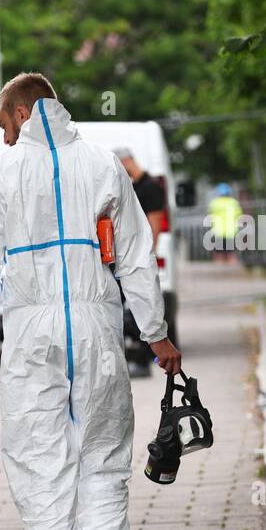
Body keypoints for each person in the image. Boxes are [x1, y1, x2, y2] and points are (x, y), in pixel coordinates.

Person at [0, 72, 181, 530]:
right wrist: (155, 334)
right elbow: (136, 255)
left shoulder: (0, 173)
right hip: (97, 328)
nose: (4, 137)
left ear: (18, 113)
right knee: (103, 453)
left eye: (3, 124)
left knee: (39, 456)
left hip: (31, 332)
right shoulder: (103, 164)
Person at [113, 146, 169, 378]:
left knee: (142, 309)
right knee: (127, 309)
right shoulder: (134, 186)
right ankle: (137, 357)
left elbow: (154, 221)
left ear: (126, 161)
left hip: (139, 259)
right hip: (127, 259)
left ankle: (145, 360)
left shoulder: (150, 187)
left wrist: (149, 254)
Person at [207, 183, 243, 264]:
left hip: (217, 232)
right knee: (231, 255)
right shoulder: (234, 203)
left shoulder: (214, 203)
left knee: (218, 255)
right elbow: (239, 215)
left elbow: (209, 215)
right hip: (230, 232)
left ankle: (217, 274)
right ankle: (233, 274)